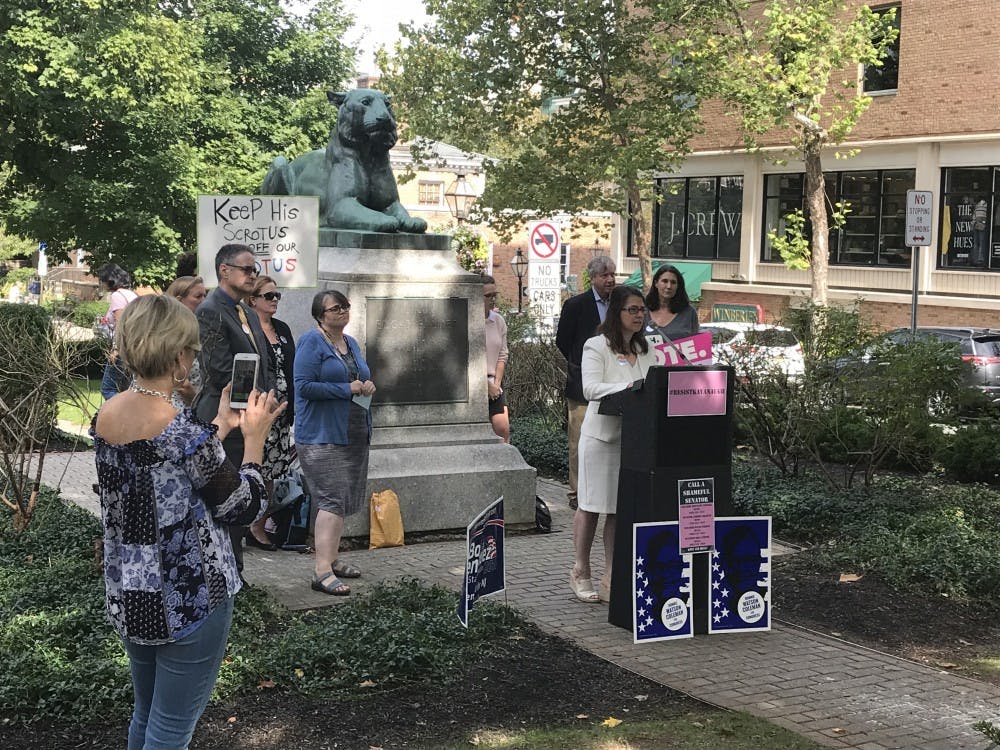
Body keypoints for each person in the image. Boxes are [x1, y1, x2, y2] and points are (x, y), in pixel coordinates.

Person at [90, 294, 284, 750]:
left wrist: (218, 428)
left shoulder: (105, 417)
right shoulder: (183, 433)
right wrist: (254, 442)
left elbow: (165, 472)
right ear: (179, 355)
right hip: (190, 595)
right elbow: (243, 507)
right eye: (193, 351)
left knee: (146, 715)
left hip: (131, 588)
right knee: (171, 729)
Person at [194, 244, 275, 575]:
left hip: (250, 418)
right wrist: (255, 400)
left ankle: (236, 573)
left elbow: (263, 363)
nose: (253, 275)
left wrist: (267, 399)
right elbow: (219, 369)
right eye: (247, 269)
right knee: (225, 497)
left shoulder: (248, 312)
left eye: (255, 269)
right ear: (224, 270)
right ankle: (224, 573)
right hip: (224, 418)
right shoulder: (210, 310)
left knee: (244, 496)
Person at [570, 285, 654, 604]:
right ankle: (581, 570)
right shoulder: (596, 345)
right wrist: (631, 386)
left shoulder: (647, 348)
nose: (639, 315)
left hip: (632, 441)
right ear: (616, 312)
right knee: (591, 506)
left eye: (642, 309)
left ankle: (611, 576)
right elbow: (591, 389)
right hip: (600, 439)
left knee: (618, 511)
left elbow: (654, 385)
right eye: (632, 309)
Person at [295, 289, 376, 595]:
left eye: (345, 306)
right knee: (330, 499)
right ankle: (321, 571)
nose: (342, 311)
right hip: (322, 434)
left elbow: (358, 377)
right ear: (320, 315)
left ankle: (331, 558)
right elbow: (304, 387)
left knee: (341, 500)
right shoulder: (311, 342)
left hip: (353, 430)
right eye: (335, 308)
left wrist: (366, 385)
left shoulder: (351, 342)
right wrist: (346, 389)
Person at [555, 255, 616, 510]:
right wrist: (580, 365)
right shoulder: (575, 305)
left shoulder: (620, 304)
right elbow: (563, 341)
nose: (610, 279)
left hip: (613, 382)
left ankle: (604, 490)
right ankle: (577, 492)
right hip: (581, 384)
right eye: (605, 275)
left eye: (613, 274)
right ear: (592, 278)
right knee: (579, 440)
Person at [245, 275, 296, 550]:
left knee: (272, 471)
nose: (274, 300)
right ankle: (246, 522)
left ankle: (259, 524)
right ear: (253, 300)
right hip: (258, 410)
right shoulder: (246, 330)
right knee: (254, 467)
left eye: (277, 295)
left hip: (282, 413)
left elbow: (291, 366)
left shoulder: (282, 328)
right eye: (268, 296)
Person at [97, 263, 138, 400]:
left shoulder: (117, 296)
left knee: (107, 388)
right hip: (134, 348)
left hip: (123, 348)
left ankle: (119, 410)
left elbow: (121, 325)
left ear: (109, 280)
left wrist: (116, 349)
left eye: (102, 280)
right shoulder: (131, 294)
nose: (102, 284)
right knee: (127, 388)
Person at [165, 276, 208, 407]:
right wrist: (197, 403)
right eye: (198, 296)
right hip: (177, 407)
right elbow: (180, 381)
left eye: (205, 296)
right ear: (179, 301)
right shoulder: (175, 332)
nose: (204, 301)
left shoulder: (192, 328)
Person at [483, 275, 510, 442]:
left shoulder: (498, 321)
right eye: (488, 296)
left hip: (494, 382)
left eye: (495, 295)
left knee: (503, 429)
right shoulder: (467, 321)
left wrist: (496, 385)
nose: (493, 299)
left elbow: (502, 354)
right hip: (472, 385)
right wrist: (485, 386)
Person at [644, 264, 699, 341]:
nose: (669, 286)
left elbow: (696, 343)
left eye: (673, 282)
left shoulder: (689, 312)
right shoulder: (643, 311)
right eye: (665, 281)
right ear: (656, 283)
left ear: (678, 286)